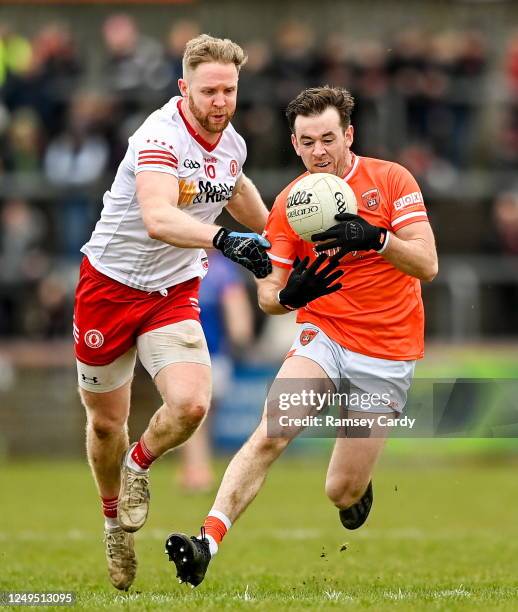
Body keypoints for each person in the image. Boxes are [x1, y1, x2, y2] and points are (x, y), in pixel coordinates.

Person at [165, 85, 438, 587]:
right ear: (294, 144)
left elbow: (427, 264)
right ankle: (206, 542)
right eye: (307, 141)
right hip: (324, 337)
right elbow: (268, 296)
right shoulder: (291, 203)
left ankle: (358, 490)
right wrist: (294, 295)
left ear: (348, 135)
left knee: (341, 490)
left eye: (328, 138)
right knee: (272, 432)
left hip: (388, 350)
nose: (319, 151)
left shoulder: (391, 180)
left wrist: (376, 238)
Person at [73, 34, 271, 591]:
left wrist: (280, 239)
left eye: (229, 90)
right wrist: (227, 241)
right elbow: (159, 217)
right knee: (106, 421)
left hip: (173, 290)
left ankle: (140, 463)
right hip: (109, 288)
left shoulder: (231, 142)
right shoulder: (158, 136)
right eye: (209, 90)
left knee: (190, 405)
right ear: (184, 88)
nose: (221, 101)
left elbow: (235, 189)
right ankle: (114, 524)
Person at [178, 250, 254, 492]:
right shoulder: (222, 269)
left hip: (194, 352)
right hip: (212, 354)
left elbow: (236, 310)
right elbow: (238, 315)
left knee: (195, 415)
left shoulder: (186, 262)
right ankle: (196, 468)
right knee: (198, 415)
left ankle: (196, 469)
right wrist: (241, 339)